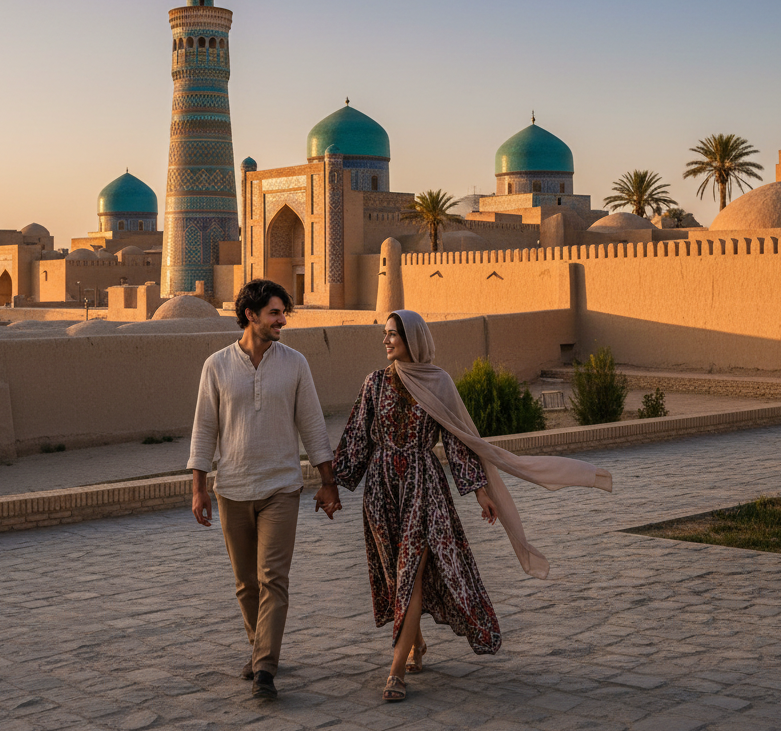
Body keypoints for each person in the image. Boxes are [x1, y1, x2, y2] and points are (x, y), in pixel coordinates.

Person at [333, 309, 612, 702]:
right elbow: (357, 436)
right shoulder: (374, 383)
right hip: (380, 493)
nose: (386, 340)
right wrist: (333, 484)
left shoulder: (438, 382)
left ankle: (395, 672)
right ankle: (416, 643)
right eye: (385, 333)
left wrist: (481, 490)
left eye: (393, 334)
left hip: (423, 489)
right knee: (397, 575)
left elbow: (459, 438)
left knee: (411, 573)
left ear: (413, 338)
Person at [189, 279, 342, 700]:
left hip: (281, 488)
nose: (282, 321)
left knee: (273, 577)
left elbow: (312, 425)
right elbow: (205, 428)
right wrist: (199, 488)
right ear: (250, 315)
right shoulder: (216, 366)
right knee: (246, 583)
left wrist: (328, 483)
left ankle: (265, 670)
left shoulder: (294, 363)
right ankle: (262, 649)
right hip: (232, 488)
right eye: (274, 313)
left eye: (283, 313)